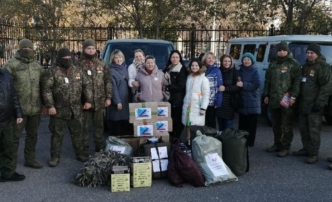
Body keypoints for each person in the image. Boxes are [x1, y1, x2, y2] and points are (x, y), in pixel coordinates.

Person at [42, 47, 93, 167]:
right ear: (59, 58)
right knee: (57, 135)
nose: (67, 59)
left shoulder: (77, 70)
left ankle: (80, 153)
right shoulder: (52, 72)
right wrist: (50, 106)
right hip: (59, 110)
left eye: (69, 57)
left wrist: (88, 100)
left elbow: (86, 86)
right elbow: (46, 90)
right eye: (64, 57)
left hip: (75, 109)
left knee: (77, 133)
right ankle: (55, 157)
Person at [3, 39, 44, 169]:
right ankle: (9, 162)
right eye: (25, 47)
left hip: (35, 108)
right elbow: (4, 86)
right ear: (20, 49)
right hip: (18, 110)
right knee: (13, 137)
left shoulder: (37, 66)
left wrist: (45, 104)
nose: (28, 49)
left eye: (30, 48)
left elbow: (44, 86)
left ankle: (30, 159)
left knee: (33, 135)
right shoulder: (11, 65)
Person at [293, 44, 332, 164]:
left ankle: (314, 154)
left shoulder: (322, 67)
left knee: (313, 130)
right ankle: (306, 149)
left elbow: (326, 86)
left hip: (314, 105)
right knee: (304, 129)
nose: (309, 55)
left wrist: (320, 103)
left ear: (317, 54)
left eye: (312, 53)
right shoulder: (305, 66)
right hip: (303, 104)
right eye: (308, 52)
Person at [263, 42, 302, 157]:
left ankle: (285, 147)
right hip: (274, 99)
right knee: (276, 124)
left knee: (286, 125)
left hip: (287, 100)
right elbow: (268, 81)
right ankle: (277, 144)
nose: (281, 52)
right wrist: (266, 95)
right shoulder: (273, 64)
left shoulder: (293, 64)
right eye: (279, 50)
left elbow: (297, 82)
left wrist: (294, 96)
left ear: (287, 51)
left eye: (284, 50)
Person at [75, 39, 112, 155]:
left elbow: (108, 81)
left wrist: (108, 97)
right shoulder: (77, 65)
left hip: (100, 102)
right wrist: (83, 101)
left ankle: (99, 149)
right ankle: (84, 150)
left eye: (92, 48)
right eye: (88, 48)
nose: (91, 51)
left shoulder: (101, 64)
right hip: (85, 104)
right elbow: (76, 85)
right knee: (83, 128)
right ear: (84, 49)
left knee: (99, 128)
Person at [0, 69, 25, 182]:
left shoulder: (5, 74)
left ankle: (8, 173)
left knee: (8, 148)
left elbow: (13, 95)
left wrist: (18, 113)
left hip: (6, 120)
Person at [237, 52, 261, 147]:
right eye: (245, 59)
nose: (246, 61)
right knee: (242, 123)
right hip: (242, 100)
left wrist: (244, 85)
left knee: (251, 124)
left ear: (252, 61)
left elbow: (256, 84)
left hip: (252, 100)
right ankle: (242, 141)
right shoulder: (240, 71)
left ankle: (250, 142)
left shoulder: (255, 71)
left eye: (248, 59)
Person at [163, 50, 187, 138]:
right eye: (173, 57)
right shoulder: (167, 68)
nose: (175, 59)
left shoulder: (182, 69)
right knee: (169, 120)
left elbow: (180, 86)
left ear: (180, 58)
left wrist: (168, 87)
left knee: (177, 121)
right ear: (170, 58)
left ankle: (177, 140)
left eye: (177, 57)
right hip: (168, 98)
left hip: (177, 100)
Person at [106, 49, 130, 136]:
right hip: (117, 104)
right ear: (112, 59)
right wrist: (117, 102)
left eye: (120, 57)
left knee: (125, 128)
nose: (119, 59)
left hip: (126, 101)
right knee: (116, 127)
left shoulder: (126, 68)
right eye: (116, 58)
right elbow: (113, 88)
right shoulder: (111, 70)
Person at [216, 54, 241, 131]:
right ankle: (221, 142)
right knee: (221, 126)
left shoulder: (235, 72)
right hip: (219, 102)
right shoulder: (218, 71)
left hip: (229, 103)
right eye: (225, 61)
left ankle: (228, 142)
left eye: (229, 61)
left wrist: (226, 88)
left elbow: (238, 87)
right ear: (221, 62)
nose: (227, 63)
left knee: (229, 127)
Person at [182, 59, 210, 127]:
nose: (194, 67)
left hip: (197, 108)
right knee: (187, 127)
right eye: (192, 65)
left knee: (196, 129)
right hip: (187, 107)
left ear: (200, 67)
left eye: (196, 65)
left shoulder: (204, 79)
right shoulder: (188, 77)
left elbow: (206, 95)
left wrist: (203, 108)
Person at [201, 51, 223, 129]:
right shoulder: (202, 69)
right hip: (201, 100)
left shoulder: (217, 71)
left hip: (211, 102)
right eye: (209, 58)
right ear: (205, 59)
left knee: (211, 122)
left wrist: (218, 102)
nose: (211, 60)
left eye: (213, 58)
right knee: (203, 121)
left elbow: (219, 87)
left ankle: (211, 138)